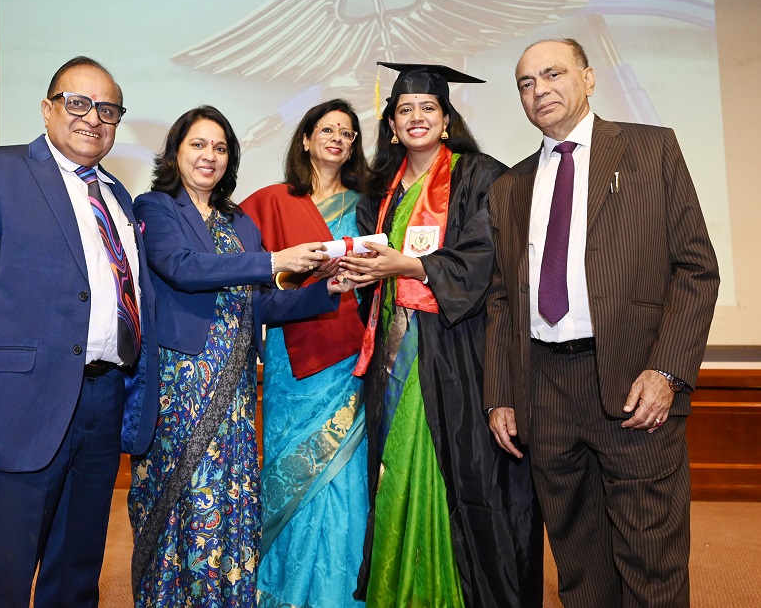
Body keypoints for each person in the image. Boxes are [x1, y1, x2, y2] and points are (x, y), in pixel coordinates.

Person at [485, 38, 720, 608]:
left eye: (552, 74)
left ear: (588, 78)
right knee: (578, 564)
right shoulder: (509, 187)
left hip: (635, 383)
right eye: (525, 83)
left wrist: (667, 371)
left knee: (650, 559)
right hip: (544, 390)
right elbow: (501, 300)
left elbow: (696, 268)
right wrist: (501, 395)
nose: (539, 90)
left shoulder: (651, 149)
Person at [0, 56, 159, 608]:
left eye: (108, 109)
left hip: (102, 402)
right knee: (3, 578)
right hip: (15, 410)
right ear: (47, 109)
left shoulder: (118, 196)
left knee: (76, 574)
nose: (93, 118)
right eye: (78, 103)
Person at [128, 105, 351, 607]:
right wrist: (275, 260)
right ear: (175, 152)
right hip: (181, 387)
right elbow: (182, 267)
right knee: (183, 500)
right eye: (198, 144)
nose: (209, 156)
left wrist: (325, 289)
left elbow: (263, 303)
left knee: (229, 498)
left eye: (221, 148)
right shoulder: (156, 208)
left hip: (234, 391)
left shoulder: (240, 222)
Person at [339, 63, 543, 607]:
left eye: (428, 108)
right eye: (404, 110)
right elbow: (373, 270)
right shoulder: (379, 192)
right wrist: (356, 274)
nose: (416, 117)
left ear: (447, 119)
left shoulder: (482, 177)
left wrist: (407, 265)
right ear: (391, 126)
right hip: (394, 351)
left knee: (464, 478)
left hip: (459, 352)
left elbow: (485, 258)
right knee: (396, 470)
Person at [239, 98, 369, 608]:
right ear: (307, 139)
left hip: (350, 357)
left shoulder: (369, 204)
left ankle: (341, 594)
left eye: (347, 133)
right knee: (291, 468)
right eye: (327, 130)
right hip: (291, 362)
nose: (337, 138)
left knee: (345, 474)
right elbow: (245, 274)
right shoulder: (271, 202)